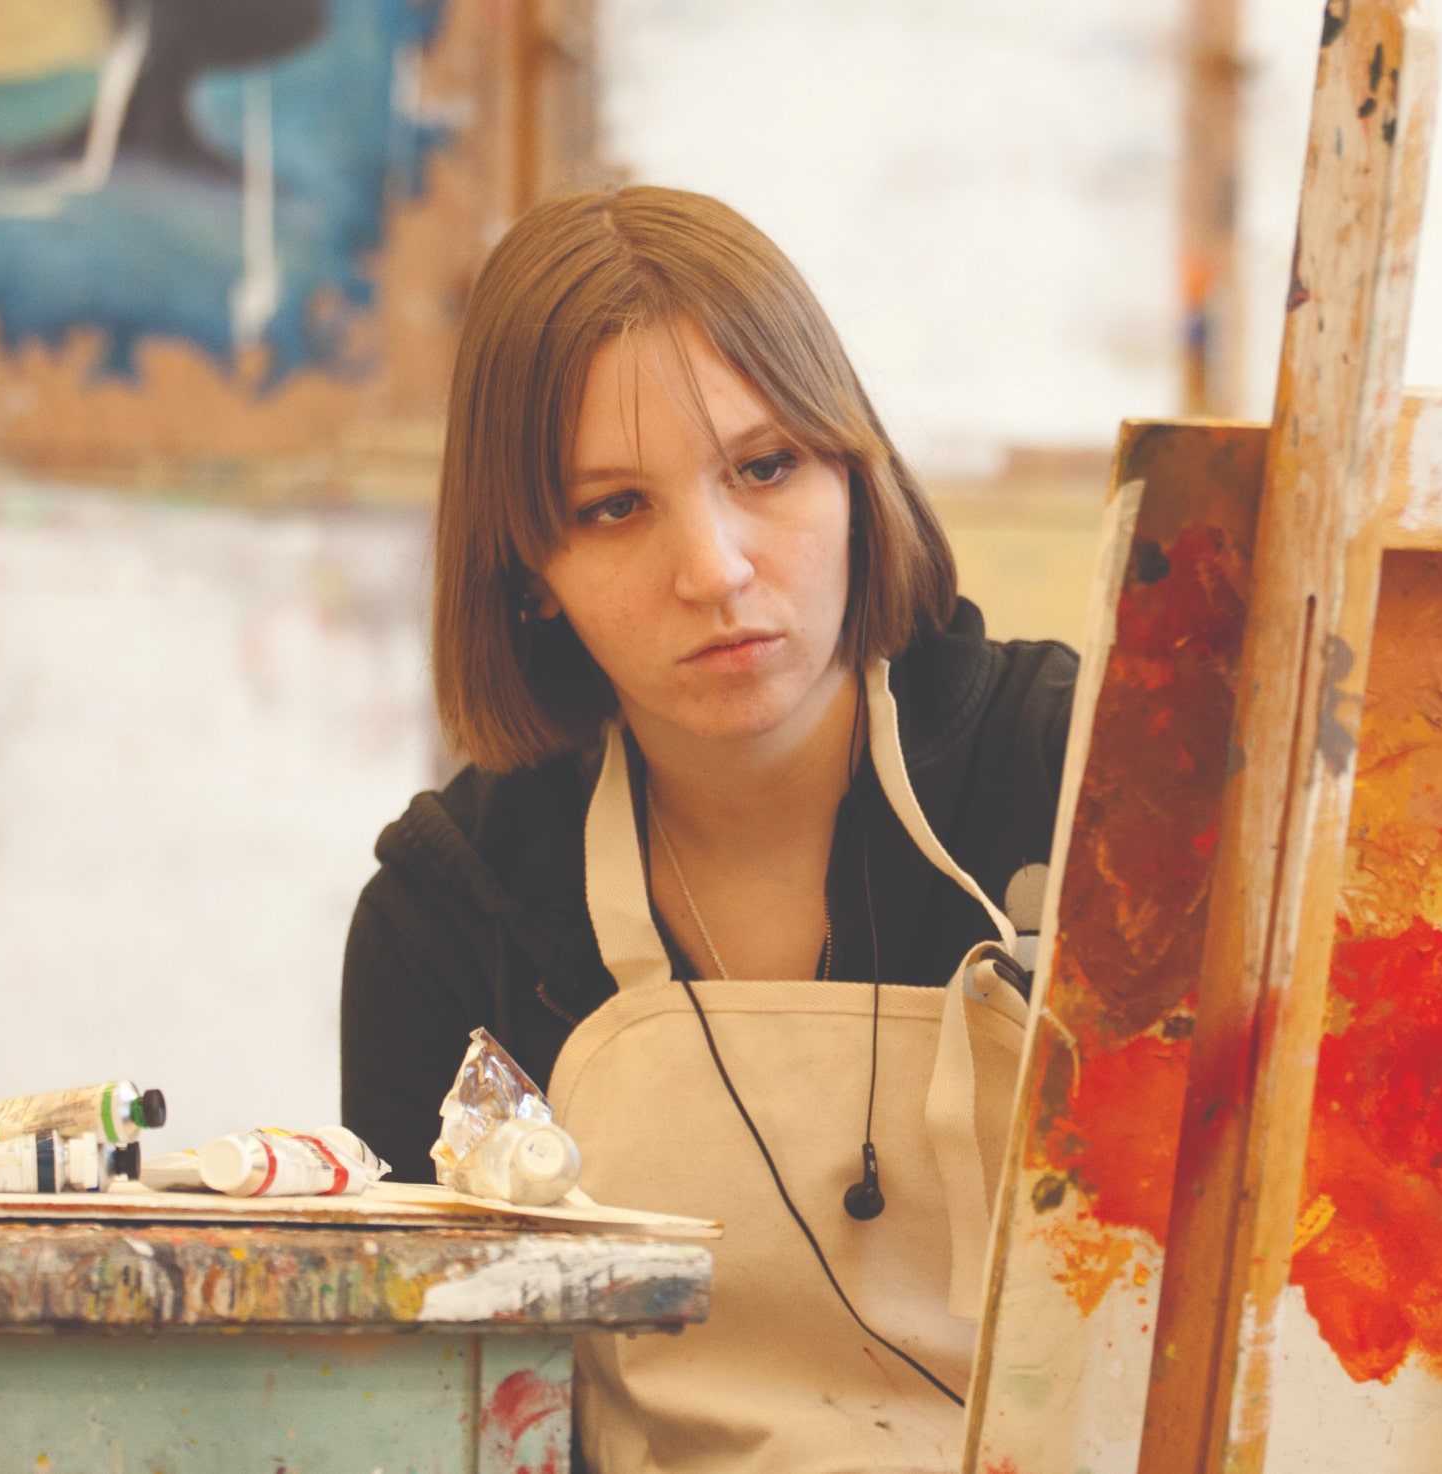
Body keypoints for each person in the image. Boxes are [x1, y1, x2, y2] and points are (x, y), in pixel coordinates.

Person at [340, 186, 1079, 1473]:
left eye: (765, 466)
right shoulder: (455, 910)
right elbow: (431, 1411)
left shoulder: (1077, 780)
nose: (717, 568)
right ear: (527, 571)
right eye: (615, 507)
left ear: (855, 468)